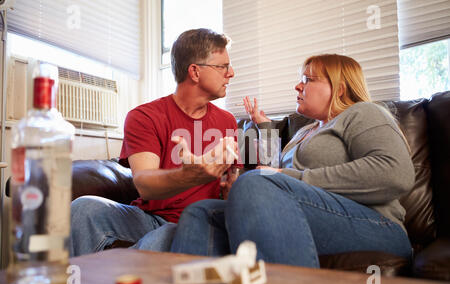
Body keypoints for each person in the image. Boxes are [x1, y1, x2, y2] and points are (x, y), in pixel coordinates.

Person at [170, 53, 415, 268]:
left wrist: (278, 179)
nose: (298, 86)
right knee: (201, 212)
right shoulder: (303, 132)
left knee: (256, 184)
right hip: (305, 215)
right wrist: (263, 130)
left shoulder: (363, 113)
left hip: (376, 226)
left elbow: (395, 173)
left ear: (339, 88)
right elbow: (271, 172)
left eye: (308, 79)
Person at [70, 28, 240, 257]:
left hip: (199, 221)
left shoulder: (227, 121)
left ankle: (116, 275)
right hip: (149, 218)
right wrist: (189, 175)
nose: (231, 73)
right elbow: (144, 184)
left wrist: (233, 191)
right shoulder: (144, 116)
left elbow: (230, 185)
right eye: (223, 66)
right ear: (195, 72)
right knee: (84, 208)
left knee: (164, 237)